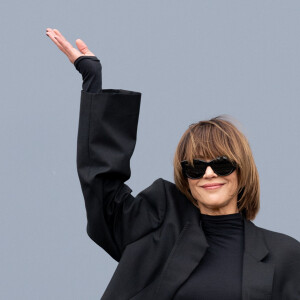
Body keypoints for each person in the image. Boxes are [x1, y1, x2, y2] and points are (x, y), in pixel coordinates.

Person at [46, 28, 300, 300]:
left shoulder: (285, 255)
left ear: (242, 170)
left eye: (222, 164)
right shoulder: (157, 231)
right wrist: (93, 82)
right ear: (186, 178)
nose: (209, 173)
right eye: (195, 167)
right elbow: (101, 190)